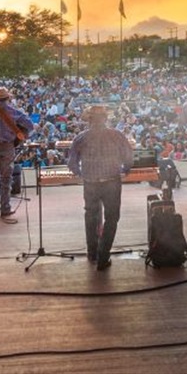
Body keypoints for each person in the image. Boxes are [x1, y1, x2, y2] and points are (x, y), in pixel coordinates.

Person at [67, 105, 134, 270]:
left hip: (90, 183)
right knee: (111, 218)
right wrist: (125, 169)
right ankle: (104, 256)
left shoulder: (81, 137)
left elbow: (72, 163)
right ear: (105, 118)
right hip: (111, 181)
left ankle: (92, 254)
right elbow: (129, 157)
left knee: (91, 216)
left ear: (89, 120)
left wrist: (81, 173)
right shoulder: (116, 135)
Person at [0, 86, 33, 217]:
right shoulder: (14, 112)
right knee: (6, 178)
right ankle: (5, 208)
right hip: (8, 146)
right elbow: (30, 125)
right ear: (8, 98)